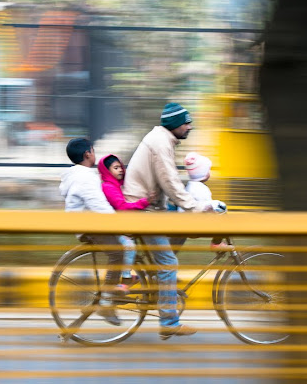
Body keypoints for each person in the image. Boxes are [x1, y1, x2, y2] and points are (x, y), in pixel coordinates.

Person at [123, 102, 213, 340]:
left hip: (152, 208)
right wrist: (195, 207)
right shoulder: (161, 143)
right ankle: (169, 321)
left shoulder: (162, 140)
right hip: (144, 213)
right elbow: (170, 182)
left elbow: (168, 183)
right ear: (175, 124)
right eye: (186, 122)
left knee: (178, 235)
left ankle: (165, 286)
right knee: (168, 263)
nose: (189, 127)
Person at [58, 138, 126, 327]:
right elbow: (99, 206)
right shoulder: (85, 177)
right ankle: (106, 302)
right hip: (91, 226)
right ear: (88, 154)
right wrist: (120, 223)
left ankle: (116, 287)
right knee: (117, 253)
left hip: (85, 224)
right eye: (93, 151)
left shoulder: (76, 176)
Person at [98, 153, 153, 286]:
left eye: (121, 167)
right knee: (129, 247)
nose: (121, 170)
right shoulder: (108, 187)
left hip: (121, 224)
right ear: (106, 171)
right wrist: (144, 202)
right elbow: (122, 207)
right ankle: (126, 277)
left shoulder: (117, 186)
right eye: (116, 168)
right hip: (114, 227)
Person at [180, 152, 228, 249]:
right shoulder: (200, 189)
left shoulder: (191, 185)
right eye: (208, 170)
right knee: (221, 208)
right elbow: (207, 210)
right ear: (203, 173)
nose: (209, 172)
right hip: (193, 226)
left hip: (186, 222)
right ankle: (216, 244)